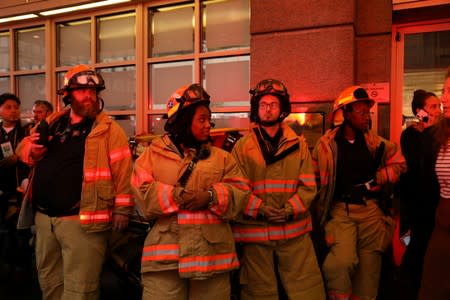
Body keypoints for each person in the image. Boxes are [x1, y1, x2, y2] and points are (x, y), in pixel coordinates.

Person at [16, 64, 134, 299]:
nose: (89, 96)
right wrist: (33, 151)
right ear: (68, 94)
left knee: (80, 289)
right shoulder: (53, 122)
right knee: (49, 282)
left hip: (82, 222)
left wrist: (122, 210)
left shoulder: (109, 130)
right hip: (44, 221)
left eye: (93, 91)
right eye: (82, 91)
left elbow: (124, 173)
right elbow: (23, 147)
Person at [131, 83, 248, 300]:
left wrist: (211, 197)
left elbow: (240, 192)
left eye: (208, 119)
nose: (208, 125)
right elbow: (143, 196)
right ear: (183, 121)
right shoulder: (153, 155)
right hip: (164, 263)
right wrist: (176, 196)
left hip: (211, 261)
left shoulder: (222, 158)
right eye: (201, 119)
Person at [231, 79, 325, 300]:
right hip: (256, 238)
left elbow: (308, 187)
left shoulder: (299, 145)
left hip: (293, 234)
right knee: (258, 293)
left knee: (307, 289)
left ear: (283, 109)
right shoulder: (242, 147)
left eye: (273, 104)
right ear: (256, 109)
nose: (268, 109)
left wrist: (289, 210)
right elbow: (236, 187)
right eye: (263, 105)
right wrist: (260, 208)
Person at [311, 86, 406, 300]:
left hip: (371, 214)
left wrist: (382, 176)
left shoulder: (377, 144)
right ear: (344, 114)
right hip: (340, 213)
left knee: (368, 273)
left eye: (367, 112)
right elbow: (313, 179)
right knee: (340, 263)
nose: (366, 117)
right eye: (361, 112)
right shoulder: (325, 146)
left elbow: (400, 164)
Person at [399, 89, 441, 298]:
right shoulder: (409, 135)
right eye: (433, 107)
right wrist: (429, 130)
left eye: (439, 106)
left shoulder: (440, 132)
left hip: (437, 200)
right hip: (418, 202)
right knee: (418, 245)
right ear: (419, 111)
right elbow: (420, 164)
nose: (438, 110)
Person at [419, 67, 450, 300]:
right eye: (444, 90)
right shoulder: (438, 136)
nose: (443, 98)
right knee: (431, 289)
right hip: (443, 222)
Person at [0, 93, 31, 284]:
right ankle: (7, 265)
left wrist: (18, 157)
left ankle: (22, 267)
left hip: (21, 186)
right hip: (1, 187)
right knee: (4, 230)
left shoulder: (26, 132)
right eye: (9, 107)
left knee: (21, 230)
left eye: (16, 107)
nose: (13, 111)